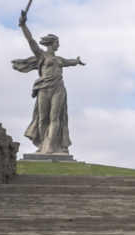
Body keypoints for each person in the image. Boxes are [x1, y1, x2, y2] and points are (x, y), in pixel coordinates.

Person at [12, 11, 85, 155]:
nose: (59, 45)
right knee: (42, 118)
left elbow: (71, 62)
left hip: (58, 88)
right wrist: (23, 25)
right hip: (43, 88)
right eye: (57, 42)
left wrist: (77, 61)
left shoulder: (60, 60)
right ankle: (42, 146)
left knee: (55, 117)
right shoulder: (42, 56)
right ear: (51, 43)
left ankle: (51, 147)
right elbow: (31, 41)